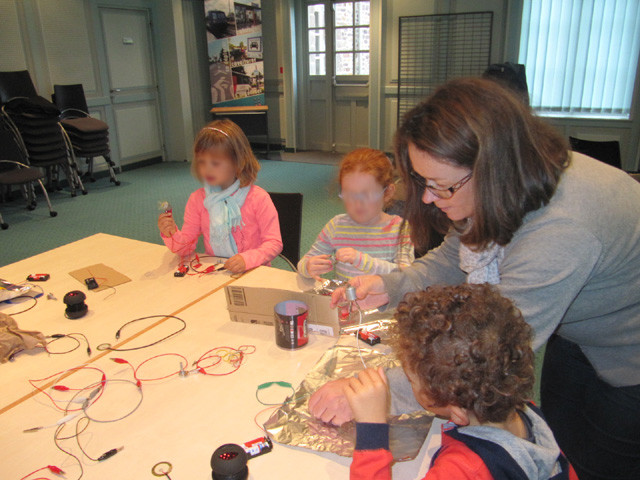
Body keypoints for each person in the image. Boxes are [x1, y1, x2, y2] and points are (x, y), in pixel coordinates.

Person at [309, 78, 640, 480]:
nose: (428, 198)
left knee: (599, 461)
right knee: (561, 438)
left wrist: (366, 393)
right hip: (578, 333)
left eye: (442, 186)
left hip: (629, 360)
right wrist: (391, 286)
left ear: (490, 169)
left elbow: (483, 349)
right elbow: (453, 256)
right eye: (422, 181)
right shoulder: (510, 178)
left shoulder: (562, 231)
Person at [347, 284, 576, 480]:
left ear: (457, 412)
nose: (408, 384)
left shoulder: (462, 470)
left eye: (410, 380)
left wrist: (371, 430)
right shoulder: (527, 411)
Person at [157, 119, 282, 273]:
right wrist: (171, 234)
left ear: (238, 162)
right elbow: (186, 248)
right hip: (217, 271)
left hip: (254, 271)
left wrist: (247, 259)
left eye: (215, 163)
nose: (207, 169)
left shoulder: (258, 198)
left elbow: (274, 243)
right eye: (202, 162)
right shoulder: (198, 200)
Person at [297, 147, 414, 281]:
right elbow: (304, 262)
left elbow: (407, 276)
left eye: (366, 195)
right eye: (349, 194)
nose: (357, 203)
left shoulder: (400, 229)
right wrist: (308, 267)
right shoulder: (337, 225)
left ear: (387, 192)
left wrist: (363, 261)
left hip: (385, 301)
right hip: (345, 300)